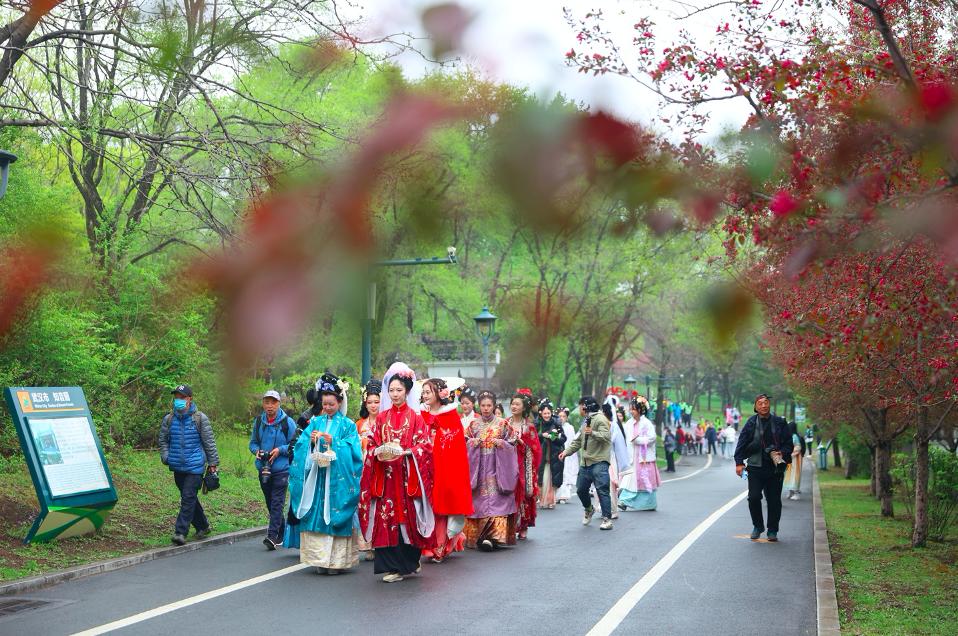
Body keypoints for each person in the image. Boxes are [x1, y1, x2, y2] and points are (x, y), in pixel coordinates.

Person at [359, 362, 435, 583]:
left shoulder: (416, 418)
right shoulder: (382, 418)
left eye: (399, 390)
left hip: (407, 476)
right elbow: (372, 442)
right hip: (386, 478)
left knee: (407, 519)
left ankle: (408, 563)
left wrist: (408, 452)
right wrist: (377, 451)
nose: (394, 394)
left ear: (407, 391)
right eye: (391, 390)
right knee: (386, 520)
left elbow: (425, 447)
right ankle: (392, 566)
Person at [284, 374, 362, 574]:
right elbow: (300, 445)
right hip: (318, 478)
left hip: (336, 480)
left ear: (340, 402)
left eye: (331, 404)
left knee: (334, 514)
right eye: (325, 404)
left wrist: (333, 442)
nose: (327, 408)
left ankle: (335, 561)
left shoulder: (348, 425)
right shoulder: (315, 422)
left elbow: (354, 452)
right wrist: (310, 442)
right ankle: (319, 559)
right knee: (316, 513)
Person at [420, 377, 473, 562]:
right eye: (424, 392)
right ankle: (432, 545)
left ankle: (440, 547)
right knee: (428, 507)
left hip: (444, 467)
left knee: (442, 508)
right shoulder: (421, 414)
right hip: (425, 466)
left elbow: (455, 447)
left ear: (439, 394)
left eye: (429, 392)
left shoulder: (450, 416)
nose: (425, 395)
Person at [159, 384, 218, 546]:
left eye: (182, 397)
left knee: (188, 497)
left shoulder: (199, 418)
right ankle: (203, 526)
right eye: (176, 397)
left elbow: (209, 442)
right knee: (189, 498)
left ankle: (180, 532)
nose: (178, 400)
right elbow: (163, 440)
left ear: (189, 399)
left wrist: (213, 463)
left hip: (195, 466)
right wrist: (166, 457)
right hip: (177, 466)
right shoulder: (169, 419)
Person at [464, 390, 519, 551]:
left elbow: (513, 441)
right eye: (483, 405)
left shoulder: (503, 423)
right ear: (479, 406)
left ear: (494, 405)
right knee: (479, 502)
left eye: (489, 405)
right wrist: (474, 442)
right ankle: (481, 537)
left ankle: (494, 537)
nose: (486, 408)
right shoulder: (473, 425)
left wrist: (501, 444)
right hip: (478, 469)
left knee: (498, 501)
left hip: (497, 467)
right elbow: (464, 441)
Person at [734, 394, 793, 541]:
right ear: (755, 407)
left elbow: (789, 444)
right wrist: (739, 463)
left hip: (775, 468)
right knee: (753, 498)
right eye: (760, 403)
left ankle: (772, 530)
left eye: (766, 403)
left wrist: (782, 453)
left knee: (774, 500)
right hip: (755, 467)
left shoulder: (780, 423)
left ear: (769, 405)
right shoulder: (751, 423)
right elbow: (741, 443)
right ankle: (758, 526)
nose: (764, 405)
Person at [249, 389, 297, 550]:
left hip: (281, 469)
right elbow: (253, 443)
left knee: (277, 502)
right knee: (270, 502)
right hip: (263, 468)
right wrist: (257, 451)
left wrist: (279, 450)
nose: (270, 406)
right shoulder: (258, 422)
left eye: (273, 402)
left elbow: (295, 443)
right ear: (263, 404)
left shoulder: (287, 422)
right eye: (267, 402)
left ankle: (272, 536)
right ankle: (281, 532)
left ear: (279, 403)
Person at [559, 396, 613, 530]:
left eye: (581, 406)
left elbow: (606, 437)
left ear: (586, 406)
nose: (579, 409)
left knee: (602, 490)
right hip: (586, 462)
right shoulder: (585, 421)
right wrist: (566, 452)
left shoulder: (601, 419)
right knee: (581, 489)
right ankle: (589, 509)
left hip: (599, 461)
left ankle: (607, 519)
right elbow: (578, 441)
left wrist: (593, 432)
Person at [353, 380, 382, 561]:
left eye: (376, 402)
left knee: (378, 506)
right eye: (370, 402)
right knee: (364, 506)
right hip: (362, 469)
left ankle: (379, 543)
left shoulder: (385, 421)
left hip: (379, 468)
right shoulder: (358, 424)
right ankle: (367, 544)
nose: (373, 405)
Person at [618, 396, 661, 510]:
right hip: (632, 456)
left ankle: (648, 504)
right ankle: (624, 501)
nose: (631, 411)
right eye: (631, 409)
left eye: (634, 409)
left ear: (640, 410)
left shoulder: (647, 424)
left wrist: (638, 440)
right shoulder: (628, 424)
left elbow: (652, 438)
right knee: (630, 479)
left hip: (644, 458)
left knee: (644, 481)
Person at [510, 391, 541, 540]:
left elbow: (535, 449)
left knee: (523, 496)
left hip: (524, 464)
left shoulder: (529, 427)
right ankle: (509, 526)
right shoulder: (504, 424)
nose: (513, 406)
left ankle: (522, 525)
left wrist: (522, 444)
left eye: (517, 404)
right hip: (507, 465)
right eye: (512, 404)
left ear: (523, 408)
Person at [603, 396, 632, 519]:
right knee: (600, 485)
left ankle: (613, 509)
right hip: (600, 458)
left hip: (610, 459)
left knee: (610, 486)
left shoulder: (614, 426)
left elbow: (617, 444)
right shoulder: (601, 424)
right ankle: (604, 508)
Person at [536, 399, 566, 510]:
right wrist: (542, 435)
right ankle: (543, 499)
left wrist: (552, 437)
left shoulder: (556, 423)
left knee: (553, 479)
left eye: (548, 413)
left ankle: (551, 500)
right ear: (540, 413)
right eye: (545, 413)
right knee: (543, 479)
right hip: (541, 456)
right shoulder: (537, 424)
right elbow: (534, 439)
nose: (547, 415)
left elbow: (563, 438)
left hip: (553, 455)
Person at [556, 407, 577, 503]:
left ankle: (564, 495)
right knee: (557, 473)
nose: (561, 418)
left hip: (567, 453)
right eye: (559, 416)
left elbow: (572, 442)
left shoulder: (570, 428)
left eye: (563, 416)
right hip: (557, 452)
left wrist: (569, 452)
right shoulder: (555, 427)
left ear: (567, 417)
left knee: (566, 472)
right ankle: (557, 495)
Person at [784, 421, 804, 500]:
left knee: (794, 475)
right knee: (789, 475)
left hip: (795, 459)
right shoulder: (792, 435)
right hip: (791, 460)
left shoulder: (795, 436)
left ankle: (796, 493)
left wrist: (791, 454)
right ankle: (790, 492)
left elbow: (798, 447)